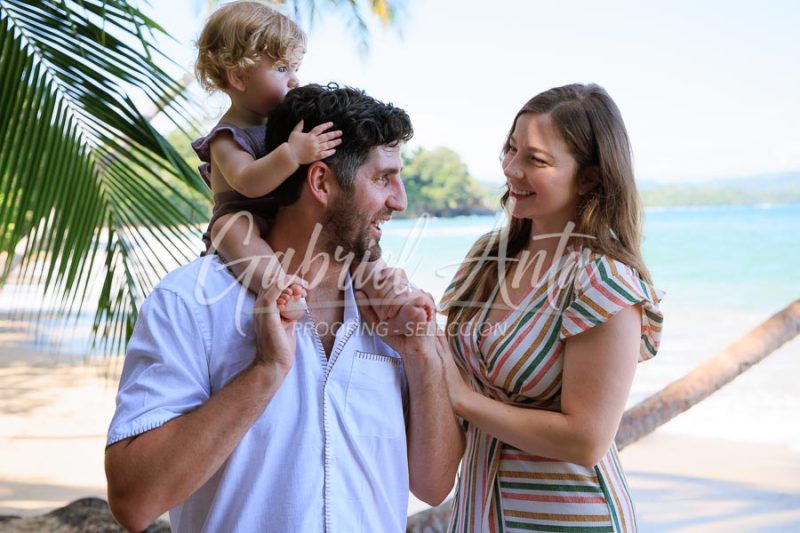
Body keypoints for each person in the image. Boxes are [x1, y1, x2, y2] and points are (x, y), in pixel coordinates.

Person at [105, 84, 462, 533]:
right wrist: (266, 370)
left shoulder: (394, 311)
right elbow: (134, 502)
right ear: (321, 182)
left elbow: (434, 485)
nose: (400, 200)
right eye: (382, 178)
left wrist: (423, 355)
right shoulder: (189, 301)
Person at [437, 83, 664, 532]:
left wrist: (463, 401)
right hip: (479, 511)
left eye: (535, 160)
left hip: (568, 517)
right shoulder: (488, 258)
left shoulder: (603, 281)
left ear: (590, 177)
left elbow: (587, 440)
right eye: (511, 149)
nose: (510, 170)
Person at [192, 0, 428, 329]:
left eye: (293, 68)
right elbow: (247, 182)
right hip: (242, 213)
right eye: (281, 69)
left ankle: (383, 285)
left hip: (277, 210)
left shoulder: (281, 125)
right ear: (239, 76)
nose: (293, 80)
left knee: (353, 235)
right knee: (230, 229)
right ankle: (278, 287)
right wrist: (292, 154)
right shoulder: (226, 138)